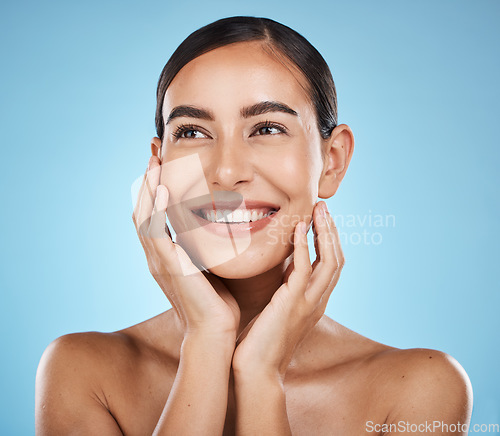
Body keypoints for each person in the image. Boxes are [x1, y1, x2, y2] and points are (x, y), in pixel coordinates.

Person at [35, 16, 472, 435]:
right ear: (158, 164)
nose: (226, 173)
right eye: (191, 133)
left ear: (332, 161)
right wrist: (206, 340)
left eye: (266, 127)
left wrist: (262, 376)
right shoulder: (80, 372)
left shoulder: (418, 389)